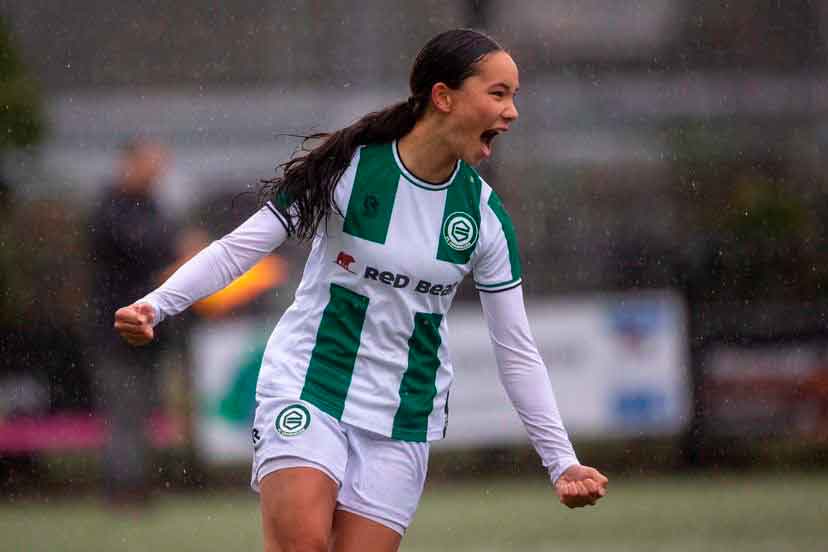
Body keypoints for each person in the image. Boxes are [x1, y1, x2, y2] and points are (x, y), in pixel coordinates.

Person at [114, 29, 608, 551]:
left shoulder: (484, 219)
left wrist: (562, 461)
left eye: (513, 97)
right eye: (498, 94)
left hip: (402, 416)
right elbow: (240, 248)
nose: (511, 112)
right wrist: (156, 304)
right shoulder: (349, 170)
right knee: (302, 544)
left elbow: (516, 350)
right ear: (443, 96)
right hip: (308, 383)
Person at [89, 138, 176, 505]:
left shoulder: (151, 206)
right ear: (130, 163)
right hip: (115, 335)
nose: (156, 173)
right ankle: (123, 491)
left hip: (149, 333)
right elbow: (145, 247)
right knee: (124, 415)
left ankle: (137, 487)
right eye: (150, 164)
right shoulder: (111, 208)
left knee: (142, 415)